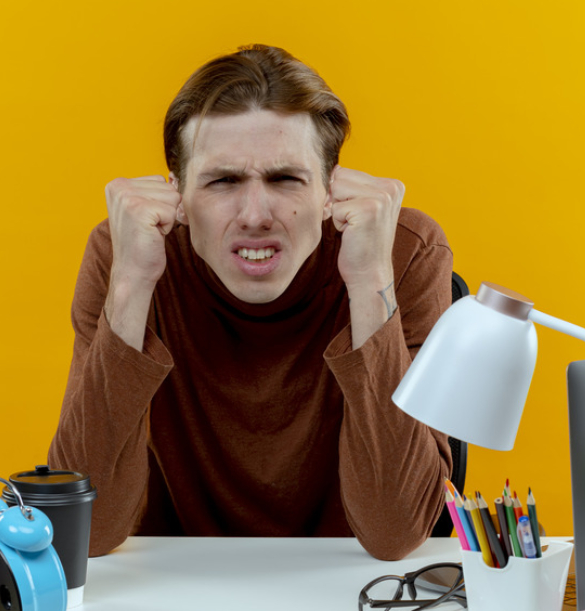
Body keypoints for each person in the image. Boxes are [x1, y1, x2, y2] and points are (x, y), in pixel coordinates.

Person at [48, 44, 453, 561]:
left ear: (330, 189)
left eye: (285, 178)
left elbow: (395, 531)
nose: (255, 215)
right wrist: (130, 284)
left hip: (347, 586)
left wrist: (370, 279)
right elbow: (86, 534)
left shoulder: (402, 251)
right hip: (175, 588)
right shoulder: (124, 253)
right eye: (223, 181)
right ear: (178, 196)